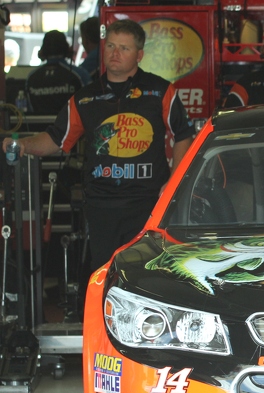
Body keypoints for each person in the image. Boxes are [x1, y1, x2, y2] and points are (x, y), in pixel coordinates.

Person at [3, 19, 195, 272]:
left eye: (124, 48)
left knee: (149, 273)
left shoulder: (160, 91)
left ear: (139, 55)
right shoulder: (85, 97)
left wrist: (173, 183)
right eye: (111, 46)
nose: (115, 53)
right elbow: (55, 138)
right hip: (102, 205)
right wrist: (22, 144)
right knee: (105, 274)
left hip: (148, 203)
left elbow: (183, 134)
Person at [25, 30, 91, 115]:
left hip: (38, 123)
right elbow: (90, 104)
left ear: (43, 50)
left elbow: (29, 109)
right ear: (67, 48)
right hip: (71, 123)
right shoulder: (79, 74)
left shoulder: (32, 77)